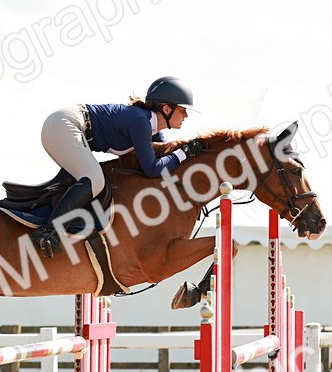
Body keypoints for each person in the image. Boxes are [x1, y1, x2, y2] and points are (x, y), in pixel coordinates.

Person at [31, 76, 206, 259]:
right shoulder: (141, 121)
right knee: (94, 179)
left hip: (64, 126)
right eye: (183, 110)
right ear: (166, 108)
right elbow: (152, 169)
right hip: (64, 125)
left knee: (88, 179)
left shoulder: (151, 129)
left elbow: (164, 163)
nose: (186, 115)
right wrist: (184, 152)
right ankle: (48, 232)